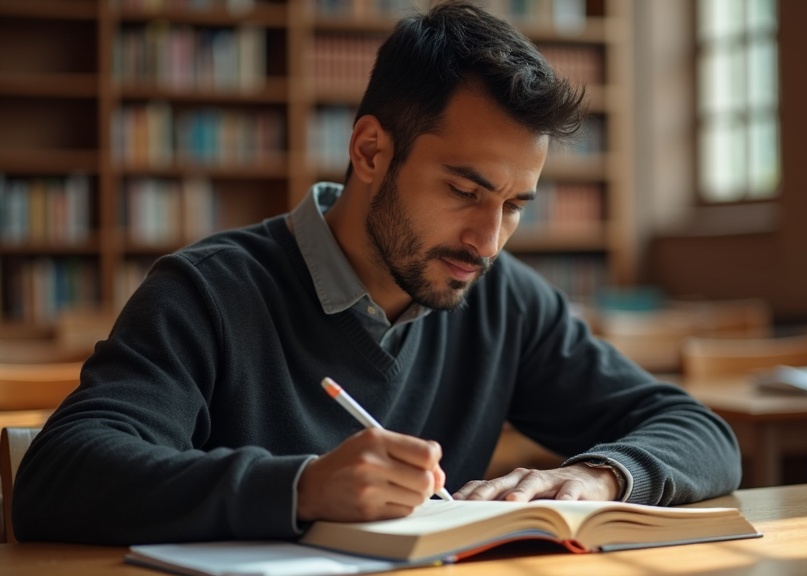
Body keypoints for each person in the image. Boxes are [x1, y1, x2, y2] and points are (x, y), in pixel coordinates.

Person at [13, 1, 741, 544]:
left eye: (516, 205)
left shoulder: (505, 302)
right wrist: (300, 487)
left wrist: (600, 476)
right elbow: (59, 476)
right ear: (369, 153)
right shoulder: (209, 292)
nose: (489, 241)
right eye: (465, 191)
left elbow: (699, 431)